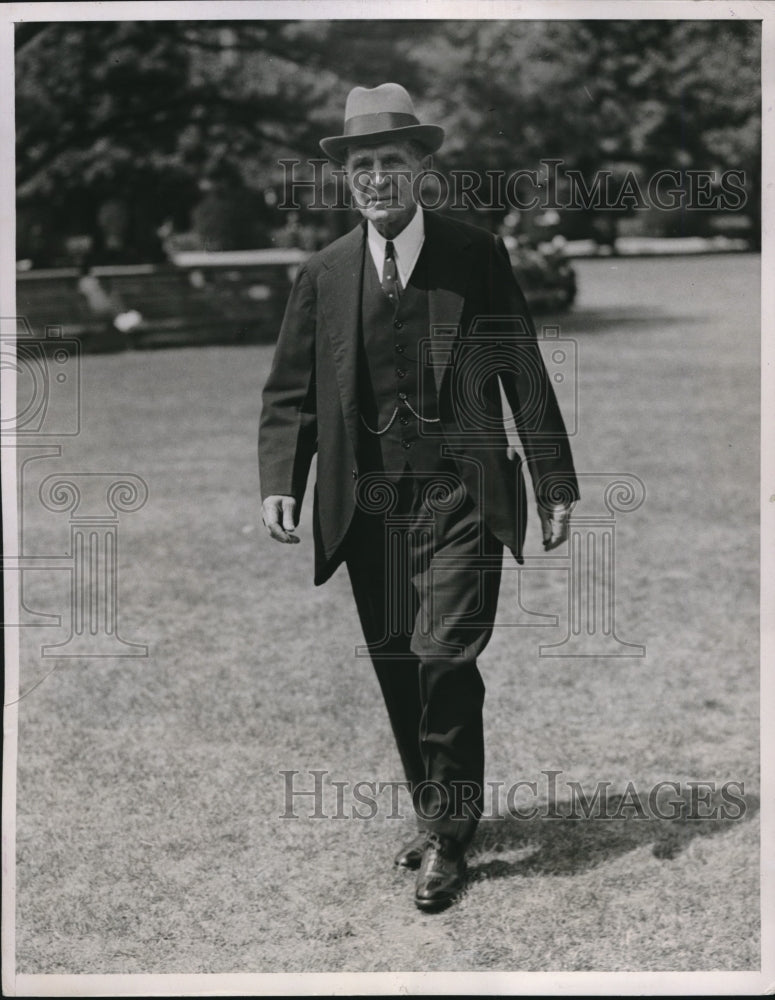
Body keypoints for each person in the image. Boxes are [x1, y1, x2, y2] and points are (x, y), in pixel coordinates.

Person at [259, 83, 579, 912]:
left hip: (461, 496)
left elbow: (520, 371)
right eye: (361, 165)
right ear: (346, 176)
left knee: (446, 655)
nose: (374, 179)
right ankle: (437, 811)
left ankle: (448, 835)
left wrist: (552, 481)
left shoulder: (474, 254)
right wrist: (279, 483)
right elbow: (290, 393)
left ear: (419, 169)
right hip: (367, 509)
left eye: (389, 163)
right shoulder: (323, 274)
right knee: (399, 662)